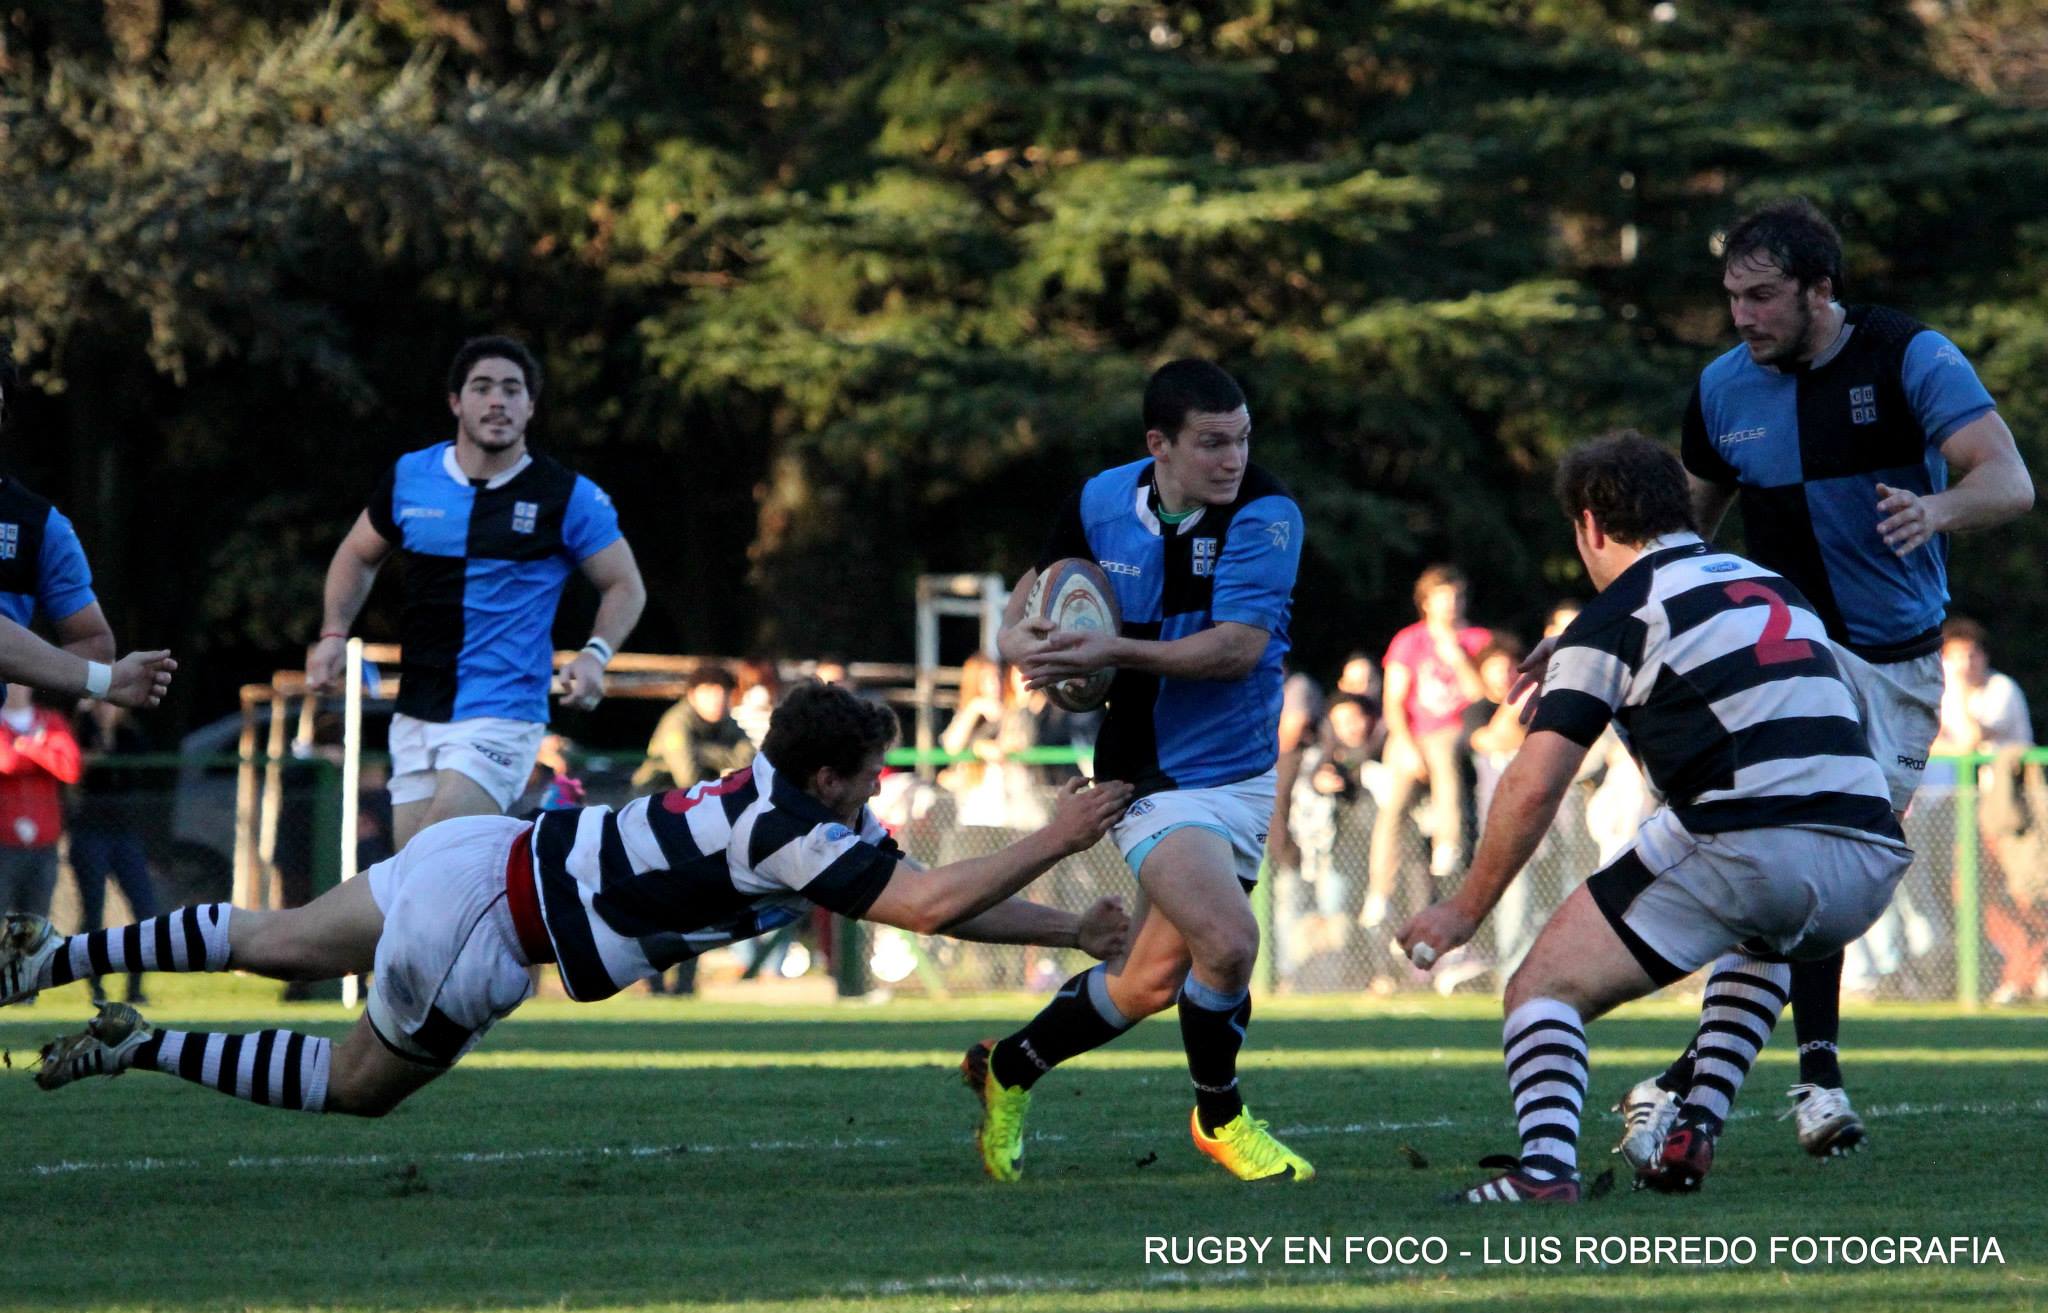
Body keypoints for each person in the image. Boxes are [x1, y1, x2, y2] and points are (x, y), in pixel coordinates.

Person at [9, 681, 1133, 1116]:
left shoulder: (788, 804)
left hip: (481, 852)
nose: (880, 790)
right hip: (486, 920)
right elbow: (930, 903)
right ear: (831, 774)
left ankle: (51, 958)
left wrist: (1066, 922)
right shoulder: (785, 834)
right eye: (872, 775)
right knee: (358, 1086)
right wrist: (1061, 834)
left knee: (273, 935)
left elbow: (929, 894)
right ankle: (139, 1046)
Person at [1607, 198, 2035, 1162]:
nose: (1743, 317)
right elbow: (1685, 533)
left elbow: (2008, 482)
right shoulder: (1722, 388)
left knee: (1833, 882)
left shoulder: (1910, 358)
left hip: (1897, 666)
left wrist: (1935, 509)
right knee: (1816, 860)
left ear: (1820, 291)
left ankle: (1680, 1082)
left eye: (1763, 296)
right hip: (1788, 663)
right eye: (1731, 296)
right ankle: (1816, 1079)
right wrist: (1608, 628)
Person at [1402, 433, 1913, 1202]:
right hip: (1872, 853)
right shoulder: (1775, 587)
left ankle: (1544, 1170)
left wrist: (1464, 909)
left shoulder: (1619, 612)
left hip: (1753, 840)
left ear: (1589, 527)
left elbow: (1533, 783)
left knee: (1540, 990)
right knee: (1765, 933)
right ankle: (1695, 1123)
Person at [968, 358, 1313, 1184]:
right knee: (1227, 943)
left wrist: (1111, 650)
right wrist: (1017, 639)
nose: (1233, 459)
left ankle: (1010, 1064)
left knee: (1148, 981)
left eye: (1241, 439)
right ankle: (1221, 1119)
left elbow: (1235, 651)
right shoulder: (1098, 500)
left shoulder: (1266, 516)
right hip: (1149, 773)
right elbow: (1034, 589)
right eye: (1211, 443)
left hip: (1243, 774)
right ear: (1158, 444)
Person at [306, 336, 647, 850]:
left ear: (530, 407)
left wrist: (597, 655)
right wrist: (334, 632)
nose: (497, 401)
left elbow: (625, 584)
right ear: (455, 402)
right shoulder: (411, 478)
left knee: (430, 861)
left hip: (502, 713)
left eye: (513, 390)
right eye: (482, 388)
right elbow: (357, 555)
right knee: (414, 895)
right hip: (417, 710)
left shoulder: (566, 496)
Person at [1365, 567, 1489, 929]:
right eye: (1443, 598)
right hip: (1412, 733)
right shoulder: (1409, 641)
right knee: (1392, 808)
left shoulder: (1477, 639)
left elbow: (1481, 695)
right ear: (1426, 602)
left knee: (1444, 758)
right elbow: (1394, 701)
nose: (1452, 605)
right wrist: (1404, 744)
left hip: (1453, 731)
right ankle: (1379, 891)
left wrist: (1457, 657)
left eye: (1457, 597)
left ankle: (1447, 842)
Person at [68, 700, 161, 1003]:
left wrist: (106, 744)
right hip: (89, 833)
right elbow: (75, 768)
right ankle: (94, 986)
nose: (107, 710)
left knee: (145, 909)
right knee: (93, 911)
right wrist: (90, 729)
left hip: (124, 835)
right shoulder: (79, 734)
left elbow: (140, 765)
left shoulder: (131, 738)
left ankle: (135, 988)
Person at [0, 685, 78, 919]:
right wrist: (44, 751)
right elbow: (6, 762)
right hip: (4, 844)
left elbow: (69, 769)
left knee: (34, 925)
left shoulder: (51, 721)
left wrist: (26, 746)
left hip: (43, 847)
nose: (16, 687)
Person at [633, 664, 756, 793]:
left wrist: (702, 752)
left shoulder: (727, 721)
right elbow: (688, 779)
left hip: (704, 793)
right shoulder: (677, 722)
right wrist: (726, 761)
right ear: (692, 695)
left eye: (723, 693)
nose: (717, 700)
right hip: (657, 795)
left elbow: (749, 762)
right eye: (709, 693)